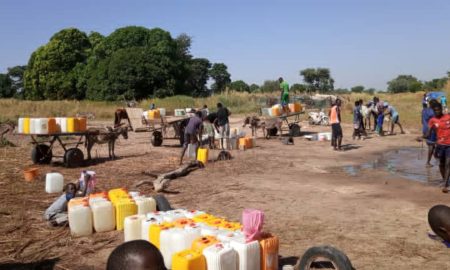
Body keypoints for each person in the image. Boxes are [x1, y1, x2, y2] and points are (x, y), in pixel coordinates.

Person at [425, 101, 450, 193]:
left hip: (449, 145)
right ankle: (445, 180)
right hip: (440, 145)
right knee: (441, 164)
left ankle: (445, 184)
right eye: (435, 111)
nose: (437, 112)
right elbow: (428, 133)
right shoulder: (432, 120)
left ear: (441, 109)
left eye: (438, 110)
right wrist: (422, 137)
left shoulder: (448, 117)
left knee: (448, 164)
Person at [422, 100, 437, 167]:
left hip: (424, 129)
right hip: (431, 130)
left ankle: (437, 159)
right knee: (431, 145)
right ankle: (428, 162)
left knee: (431, 145)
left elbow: (422, 121)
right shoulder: (433, 112)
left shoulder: (424, 110)